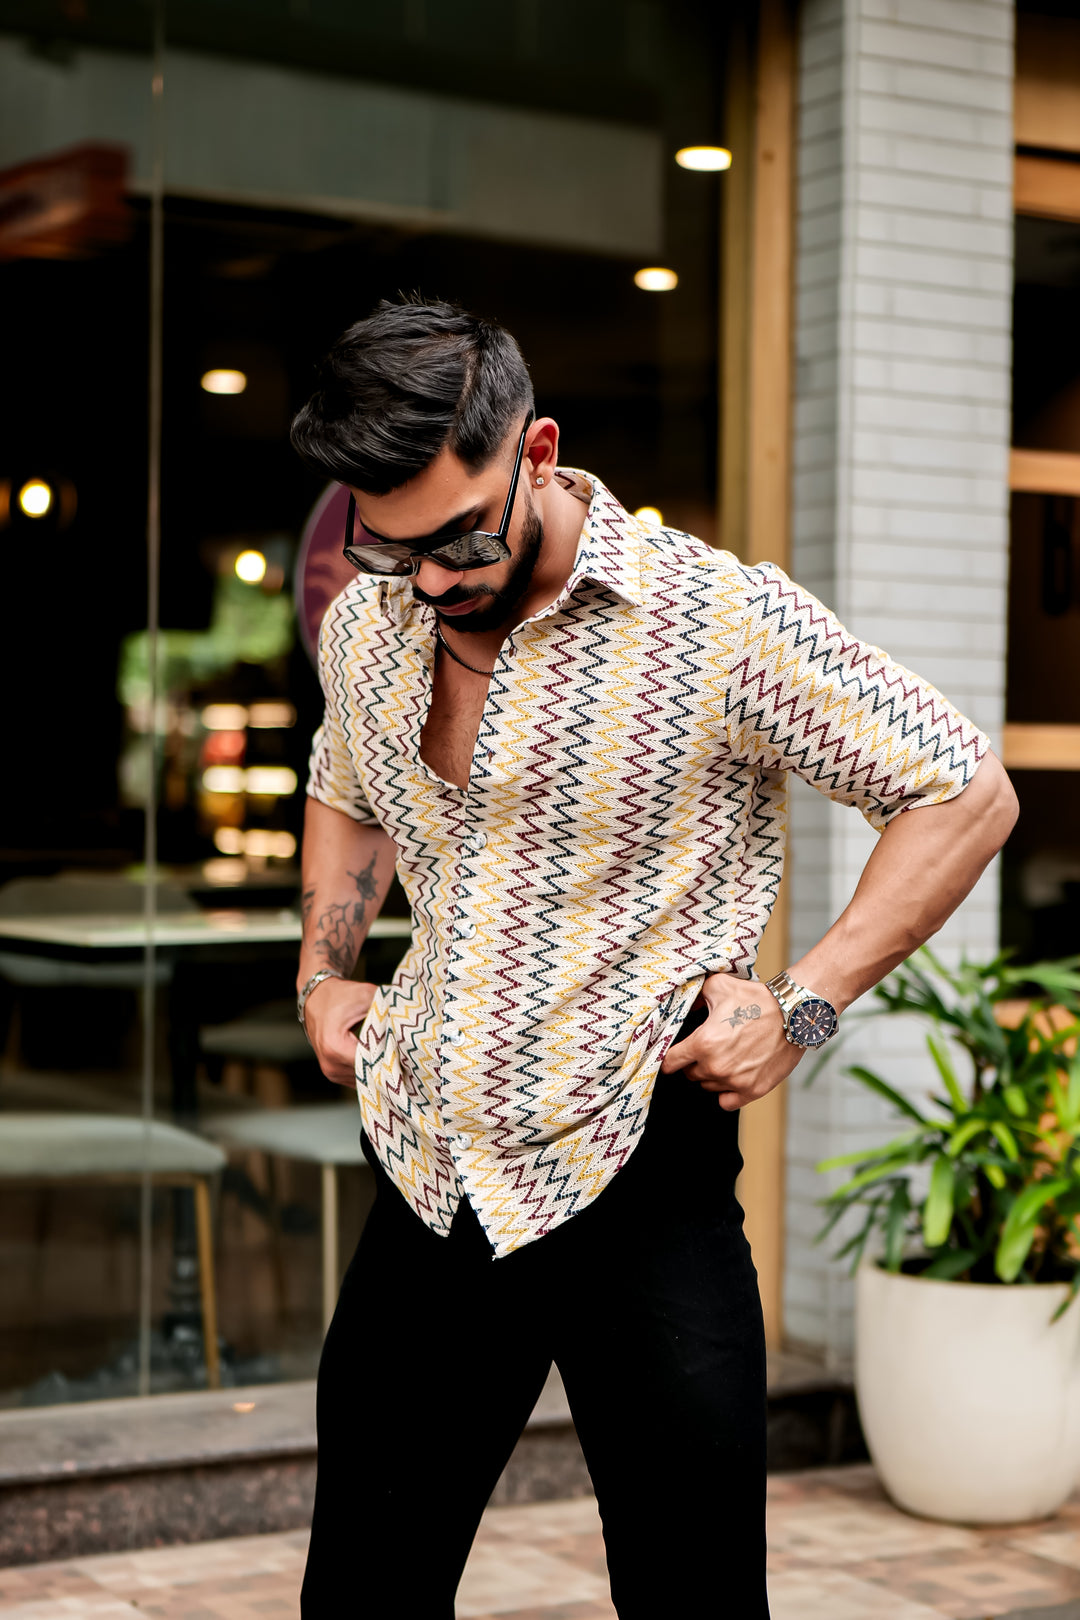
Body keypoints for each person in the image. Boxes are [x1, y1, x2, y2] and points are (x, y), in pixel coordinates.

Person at [289, 296, 1017, 1619]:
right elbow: (343, 782)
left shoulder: (713, 619)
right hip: (431, 1162)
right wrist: (326, 966)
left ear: (541, 450)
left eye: (462, 539)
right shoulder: (369, 623)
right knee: (361, 1591)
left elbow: (962, 790)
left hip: (638, 1163)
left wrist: (803, 1006)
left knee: (692, 1603)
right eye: (396, 553)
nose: (436, 581)